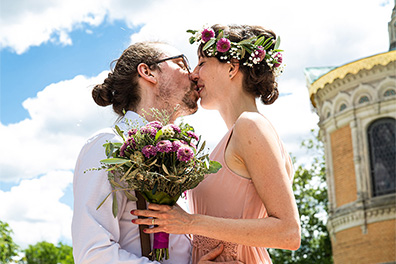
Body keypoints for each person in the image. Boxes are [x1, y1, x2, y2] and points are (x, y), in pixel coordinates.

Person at [131, 24, 301, 263]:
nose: (194, 74)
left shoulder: (251, 125)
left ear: (231, 68)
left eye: (201, 63)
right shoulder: (233, 137)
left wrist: (189, 223)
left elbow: (288, 233)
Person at [72, 41, 200, 264]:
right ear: (147, 72)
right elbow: (93, 254)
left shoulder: (182, 153)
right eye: (181, 64)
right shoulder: (108, 145)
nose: (194, 75)